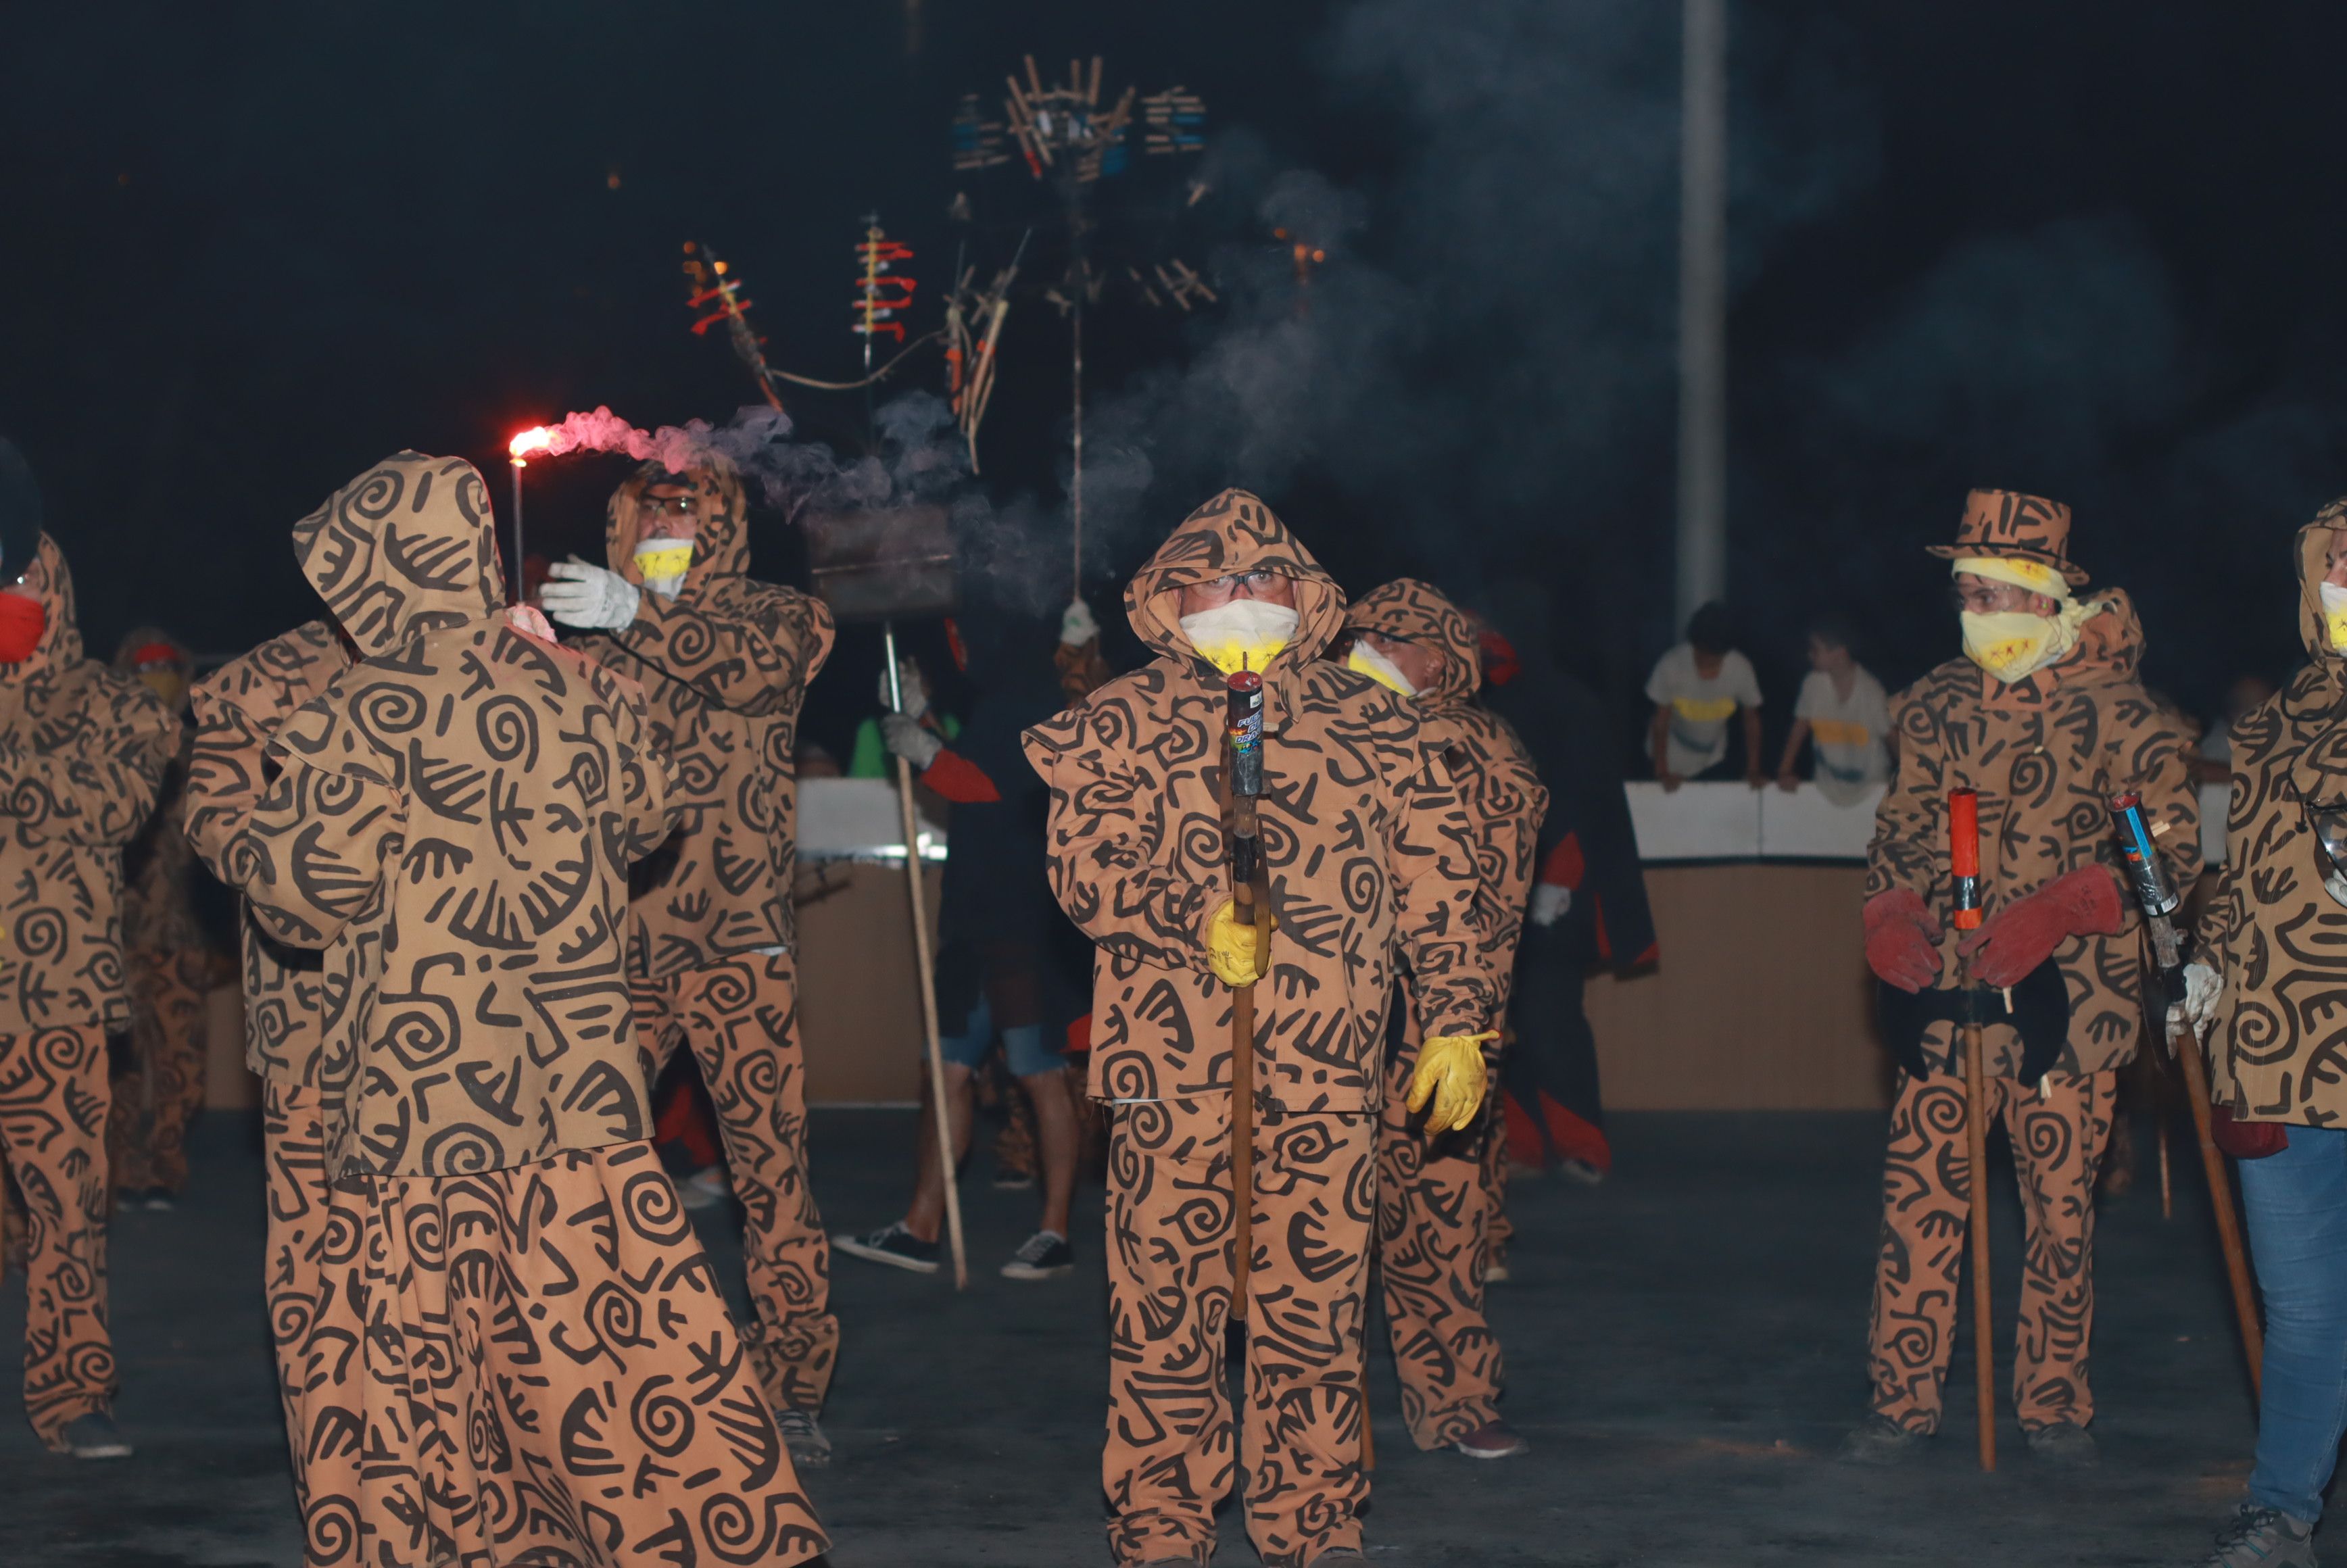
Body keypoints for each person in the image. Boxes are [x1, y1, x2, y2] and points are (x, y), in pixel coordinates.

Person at [238, 449, 829, 1567]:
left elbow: (303, 903)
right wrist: (564, 684)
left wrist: (252, 831)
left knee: (434, 1362)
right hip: (573, 1094)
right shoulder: (565, 682)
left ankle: (461, 1538)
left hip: (425, 1110)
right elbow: (654, 807)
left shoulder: (355, 712)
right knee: (596, 1339)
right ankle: (697, 1531)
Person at [1023, 489, 1499, 1567]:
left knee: (1315, 1320)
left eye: (1264, 581)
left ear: (1305, 593)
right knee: (1163, 1319)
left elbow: (1441, 879)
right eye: (1218, 582)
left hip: (1327, 1072)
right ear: (1168, 595)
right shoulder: (1115, 722)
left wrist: (1457, 1021)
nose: (1243, 601)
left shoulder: (1378, 722)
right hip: (1168, 1067)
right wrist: (1187, 917)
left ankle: (1312, 1525)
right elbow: (1083, 873)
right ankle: (1160, 1524)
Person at [1847, 488, 2198, 1469]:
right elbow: (1905, 828)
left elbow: (2169, 857)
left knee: (2058, 1214)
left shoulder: (2131, 719)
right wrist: (1890, 908)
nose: (1978, 609)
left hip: (2070, 1017)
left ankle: (2053, 1405)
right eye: (1966, 589)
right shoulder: (1935, 706)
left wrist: (2070, 904)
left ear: (2048, 597)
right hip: (1946, 1005)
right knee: (1919, 1204)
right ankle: (1900, 1400)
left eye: (1996, 589)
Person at [542, 456, 842, 1466]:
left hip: (736, 944)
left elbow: (746, 673)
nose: (669, 522)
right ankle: (603, 1373)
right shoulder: (595, 635)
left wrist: (636, 615)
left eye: (690, 506)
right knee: (586, 1165)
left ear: (726, 520)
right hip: (615, 949)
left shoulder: (779, 617)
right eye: (649, 507)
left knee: (771, 1174)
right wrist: (526, 658)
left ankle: (792, 1381)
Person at [2176, 502, 2347, 1567]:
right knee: (2303, 1309)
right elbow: (2244, 878)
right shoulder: (2274, 724)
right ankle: (2282, 1505)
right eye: (2338, 562)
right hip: (2279, 1052)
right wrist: (2209, 962)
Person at [1343, 579, 1547, 1461]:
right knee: (1310, 1232)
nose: (1367, 653)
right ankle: (1303, 1416)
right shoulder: (1319, 729)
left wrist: (1453, 1023)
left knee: (1440, 1226)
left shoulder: (1478, 749)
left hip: (1434, 1036)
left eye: (1388, 642)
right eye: (1364, 637)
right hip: (1317, 1037)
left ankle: (1459, 1399)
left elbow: (1480, 904)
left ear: (1438, 661)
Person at [0, 440, 176, 1459]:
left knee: (68, 1213)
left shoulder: (114, 709)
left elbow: (105, 809)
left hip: (55, 1007)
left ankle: (73, 1392)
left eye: (25, 577)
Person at [834, 600, 1088, 1280]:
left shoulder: (1037, 699)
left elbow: (989, 786)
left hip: (1024, 923)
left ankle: (1055, 1231)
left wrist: (924, 754)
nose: (958, 647)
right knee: (945, 1070)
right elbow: (970, 761)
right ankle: (921, 1227)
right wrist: (917, 717)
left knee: (1040, 1076)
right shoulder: (998, 701)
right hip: (970, 923)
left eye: (964, 636)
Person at [184, 595, 355, 1539]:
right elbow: (215, 815)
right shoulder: (266, 676)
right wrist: (313, 869)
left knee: (456, 1284)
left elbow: (641, 794)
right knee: (318, 1277)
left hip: (467, 1049)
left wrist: (590, 658)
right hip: (313, 1032)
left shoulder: (499, 657)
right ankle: (343, 1509)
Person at [1478, 614, 1656, 1200]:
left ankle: (1584, 1146)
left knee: (1553, 1023)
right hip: (1499, 896)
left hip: (1560, 896)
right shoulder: (1484, 698)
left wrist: (1557, 882)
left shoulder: (1566, 703)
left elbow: (1579, 803)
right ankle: (1524, 1144)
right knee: (1506, 1027)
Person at [103, 627, 226, 1210]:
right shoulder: (104, 754)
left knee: (182, 1068)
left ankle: (164, 1170)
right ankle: (121, 1171)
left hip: (181, 940)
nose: (159, 681)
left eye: (168, 669)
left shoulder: (203, 753)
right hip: (115, 941)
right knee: (119, 1072)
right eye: (146, 669)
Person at [1645, 599, 1764, 789]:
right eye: (1701, 655)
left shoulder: (1740, 668)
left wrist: (1753, 769)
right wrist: (1662, 772)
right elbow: (1661, 722)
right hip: (1667, 756)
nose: (1705, 665)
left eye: (1713, 659)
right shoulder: (1671, 665)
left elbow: (1751, 720)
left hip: (1714, 759)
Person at [1775, 614, 1893, 804]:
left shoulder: (1871, 691)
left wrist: (1912, 778)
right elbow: (1800, 728)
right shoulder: (1812, 684)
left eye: (1815, 650)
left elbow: (1892, 737)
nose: (1809, 655)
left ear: (1839, 653)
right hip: (1824, 788)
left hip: (1872, 790)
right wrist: (1784, 771)